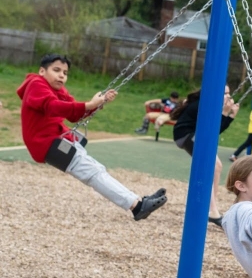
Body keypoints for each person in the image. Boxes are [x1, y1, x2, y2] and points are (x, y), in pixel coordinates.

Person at [17, 54, 167, 220]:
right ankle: (136, 206)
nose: (61, 75)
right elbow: (52, 106)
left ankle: (137, 201)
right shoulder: (36, 84)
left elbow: (73, 114)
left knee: (97, 169)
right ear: (42, 71)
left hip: (59, 139)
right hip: (46, 144)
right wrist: (90, 104)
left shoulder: (58, 89)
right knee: (92, 173)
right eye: (56, 70)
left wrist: (99, 103)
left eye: (65, 73)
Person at [171, 85, 240, 227]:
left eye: (228, 93)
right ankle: (213, 212)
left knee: (217, 166)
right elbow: (213, 131)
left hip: (196, 136)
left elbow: (215, 131)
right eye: (224, 93)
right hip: (185, 135)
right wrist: (225, 113)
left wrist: (230, 115)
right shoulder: (203, 106)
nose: (228, 96)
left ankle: (210, 208)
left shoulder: (211, 105)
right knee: (211, 166)